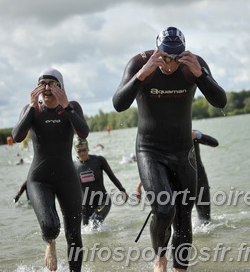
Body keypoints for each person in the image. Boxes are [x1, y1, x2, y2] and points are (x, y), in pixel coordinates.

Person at [112, 27, 227, 272]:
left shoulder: (193, 65)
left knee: (184, 216)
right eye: (165, 57)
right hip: (150, 150)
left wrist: (200, 75)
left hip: (183, 150)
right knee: (164, 209)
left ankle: (180, 269)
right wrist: (142, 75)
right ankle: (160, 257)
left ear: (183, 53)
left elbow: (220, 101)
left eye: (175, 58)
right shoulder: (139, 63)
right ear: (157, 51)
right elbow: (119, 104)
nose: (169, 65)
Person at [12, 68, 89, 272]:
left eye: (52, 84)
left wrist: (66, 106)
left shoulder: (71, 107)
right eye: (42, 84)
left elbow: (83, 132)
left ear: (61, 87)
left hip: (67, 178)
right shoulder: (32, 110)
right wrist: (30, 106)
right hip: (39, 180)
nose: (46, 88)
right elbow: (17, 137)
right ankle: (50, 244)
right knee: (50, 226)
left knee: (74, 234)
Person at [73, 137, 128, 227]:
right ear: (76, 151)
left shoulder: (98, 160)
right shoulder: (74, 166)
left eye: (84, 150)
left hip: (102, 201)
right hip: (85, 205)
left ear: (88, 148)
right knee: (87, 231)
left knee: (94, 225)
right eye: (79, 151)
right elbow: (70, 187)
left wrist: (122, 190)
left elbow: (112, 176)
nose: (82, 153)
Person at [191, 130, 218, 223]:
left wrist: (198, 135)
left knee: (206, 219)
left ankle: (208, 236)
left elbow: (215, 143)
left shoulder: (192, 134)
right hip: (180, 181)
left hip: (200, 179)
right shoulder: (168, 138)